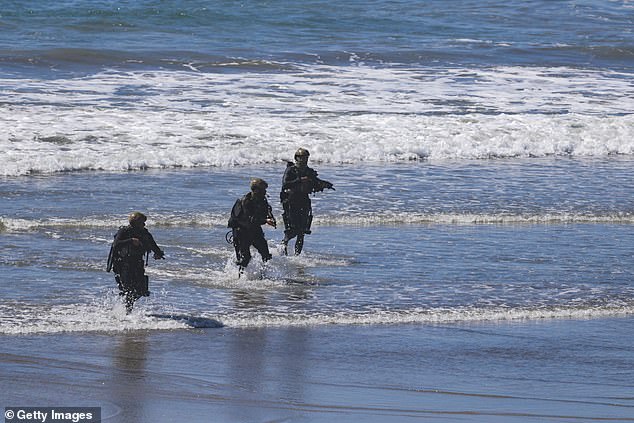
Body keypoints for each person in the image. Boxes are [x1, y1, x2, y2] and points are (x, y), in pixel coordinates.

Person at [107, 212, 165, 313]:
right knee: (128, 289)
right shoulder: (124, 231)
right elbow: (116, 244)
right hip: (123, 264)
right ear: (135, 223)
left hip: (137, 264)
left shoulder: (145, 233)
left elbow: (153, 244)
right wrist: (131, 240)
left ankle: (127, 307)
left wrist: (158, 253)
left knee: (141, 291)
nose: (144, 225)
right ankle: (127, 311)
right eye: (142, 222)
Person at [280, 148, 334, 255]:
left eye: (306, 157)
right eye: (302, 157)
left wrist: (325, 184)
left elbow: (315, 182)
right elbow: (285, 183)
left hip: (303, 200)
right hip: (291, 201)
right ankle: (284, 245)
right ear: (296, 158)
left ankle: (297, 256)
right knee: (292, 229)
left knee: (302, 231)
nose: (304, 160)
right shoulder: (291, 170)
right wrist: (300, 180)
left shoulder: (309, 171)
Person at [228, 178, 276, 274]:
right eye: (263, 190)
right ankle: (240, 278)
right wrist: (266, 220)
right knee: (245, 258)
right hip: (241, 230)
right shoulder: (245, 201)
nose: (265, 192)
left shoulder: (262, 199)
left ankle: (263, 276)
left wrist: (271, 218)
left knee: (266, 254)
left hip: (254, 229)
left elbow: (267, 210)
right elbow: (250, 219)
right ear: (256, 190)